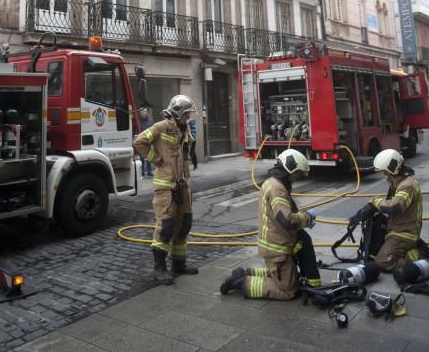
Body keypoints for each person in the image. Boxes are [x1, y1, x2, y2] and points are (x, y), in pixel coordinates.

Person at [220, 148, 320, 300]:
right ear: (290, 169)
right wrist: (306, 218)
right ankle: (242, 282)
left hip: (274, 244)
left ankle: (246, 273)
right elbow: (286, 220)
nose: (297, 178)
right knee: (288, 289)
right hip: (276, 249)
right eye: (298, 173)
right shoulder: (277, 189)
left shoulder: (273, 183)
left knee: (288, 276)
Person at [133, 94, 199, 285]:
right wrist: (157, 160)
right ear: (178, 113)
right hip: (166, 188)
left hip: (183, 186)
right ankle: (159, 268)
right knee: (166, 228)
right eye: (186, 114)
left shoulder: (183, 130)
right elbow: (139, 142)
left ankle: (179, 264)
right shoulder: (162, 127)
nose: (188, 118)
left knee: (184, 224)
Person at [348, 148, 423, 272]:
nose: (385, 176)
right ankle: (403, 252)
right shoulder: (399, 182)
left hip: (405, 234)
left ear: (392, 169)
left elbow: (396, 206)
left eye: (385, 172)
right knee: (376, 253)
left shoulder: (407, 185)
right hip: (395, 231)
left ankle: (415, 254)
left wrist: (376, 202)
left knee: (382, 262)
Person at [138, 107, 153, 177]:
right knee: (141, 158)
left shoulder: (151, 122)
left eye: (146, 111)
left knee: (149, 157)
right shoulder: (138, 123)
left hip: (149, 142)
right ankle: (142, 172)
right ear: (140, 114)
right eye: (143, 112)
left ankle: (149, 171)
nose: (145, 113)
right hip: (141, 143)